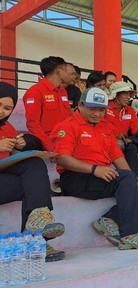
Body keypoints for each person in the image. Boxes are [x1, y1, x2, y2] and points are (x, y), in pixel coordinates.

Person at [51, 87, 138, 250]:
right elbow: (61, 158)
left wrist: (135, 181)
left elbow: (118, 157)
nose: (97, 114)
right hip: (76, 178)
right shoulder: (67, 126)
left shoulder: (105, 127)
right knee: (125, 178)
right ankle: (131, 234)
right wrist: (94, 169)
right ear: (80, 105)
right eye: (92, 109)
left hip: (99, 176)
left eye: (101, 110)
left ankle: (109, 219)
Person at [0, 82, 66, 262]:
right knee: (33, 184)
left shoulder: (8, 128)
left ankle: (35, 236)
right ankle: (36, 237)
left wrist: (18, 147)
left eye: (7, 108)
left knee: (34, 168)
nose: (2, 111)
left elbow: (8, 159)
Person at [23, 56, 72, 151]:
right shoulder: (35, 92)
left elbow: (68, 117)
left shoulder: (63, 91)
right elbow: (33, 124)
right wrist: (49, 145)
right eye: (66, 70)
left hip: (63, 137)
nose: (69, 75)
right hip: (45, 140)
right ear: (59, 70)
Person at [104, 81, 138, 178]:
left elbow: (134, 127)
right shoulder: (106, 107)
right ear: (116, 95)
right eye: (125, 94)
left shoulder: (130, 110)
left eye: (129, 94)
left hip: (124, 140)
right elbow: (103, 125)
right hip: (108, 138)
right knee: (120, 144)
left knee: (135, 144)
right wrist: (116, 133)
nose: (128, 97)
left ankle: (135, 178)